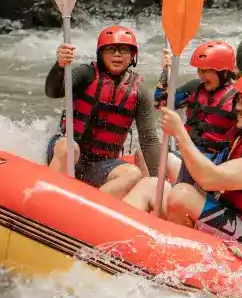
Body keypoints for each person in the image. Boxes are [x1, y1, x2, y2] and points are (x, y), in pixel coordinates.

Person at [122, 73, 242, 249]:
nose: (236, 107)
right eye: (237, 101)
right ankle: (117, 238)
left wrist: (179, 133)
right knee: (151, 185)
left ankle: (170, 252)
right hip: (232, 214)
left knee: (182, 195)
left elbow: (210, 180)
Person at [45, 25, 161, 198]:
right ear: (100, 54)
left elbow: (149, 139)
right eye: (111, 49)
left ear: (132, 56)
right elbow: (53, 91)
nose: (117, 54)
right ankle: (48, 198)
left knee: (133, 174)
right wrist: (60, 67)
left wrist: (159, 181)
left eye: (124, 50)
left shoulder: (140, 92)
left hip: (101, 164)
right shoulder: (86, 74)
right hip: (66, 153)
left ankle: (86, 208)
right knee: (69, 148)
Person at [153, 40, 239, 183]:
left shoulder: (238, 98)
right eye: (199, 70)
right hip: (188, 152)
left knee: (169, 160)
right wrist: (166, 73)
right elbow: (160, 102)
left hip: (215, 163)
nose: (201, 75)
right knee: (153, 155)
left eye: (206, 70)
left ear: (224, 72)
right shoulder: (195, 88)